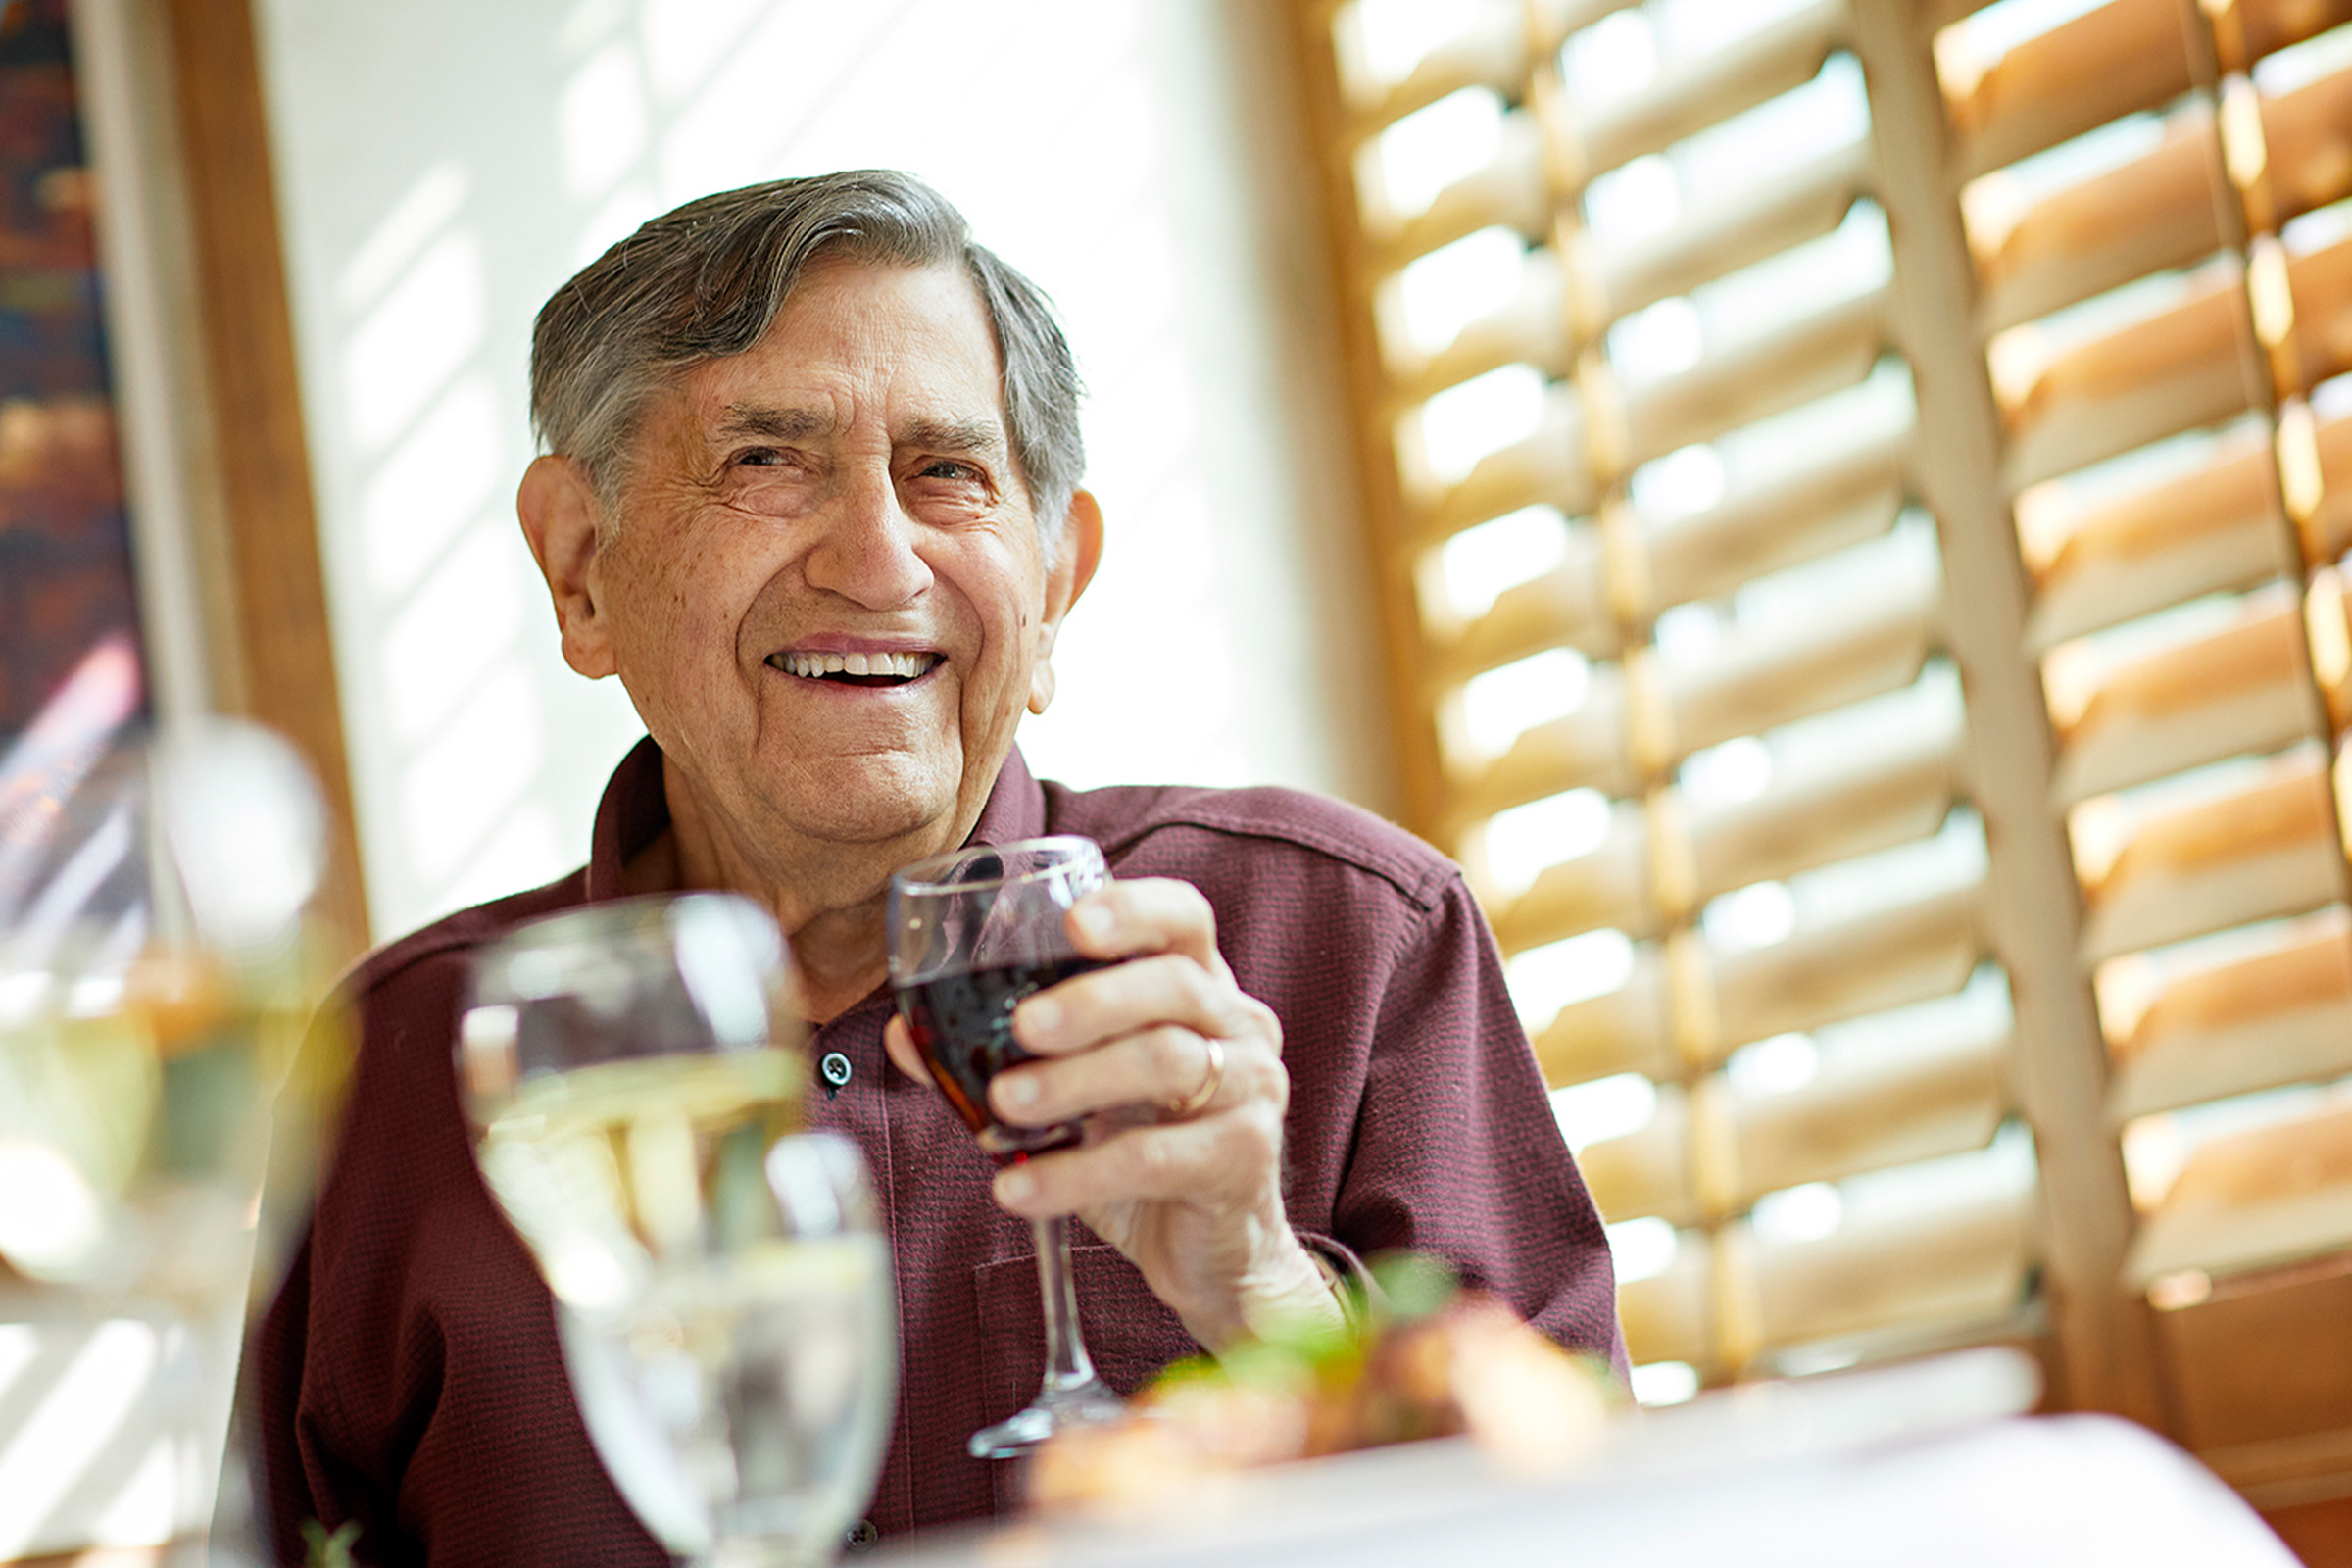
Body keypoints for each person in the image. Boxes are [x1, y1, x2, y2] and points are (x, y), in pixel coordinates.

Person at [254, 170, 1622, 1565]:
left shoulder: (1351, 939)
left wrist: (1263, 1287)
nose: (874, 559)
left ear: (1054, 583)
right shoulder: (397, 1068)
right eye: (765, 461)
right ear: (584, 567)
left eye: (947, 472)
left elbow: (1589, 1533)